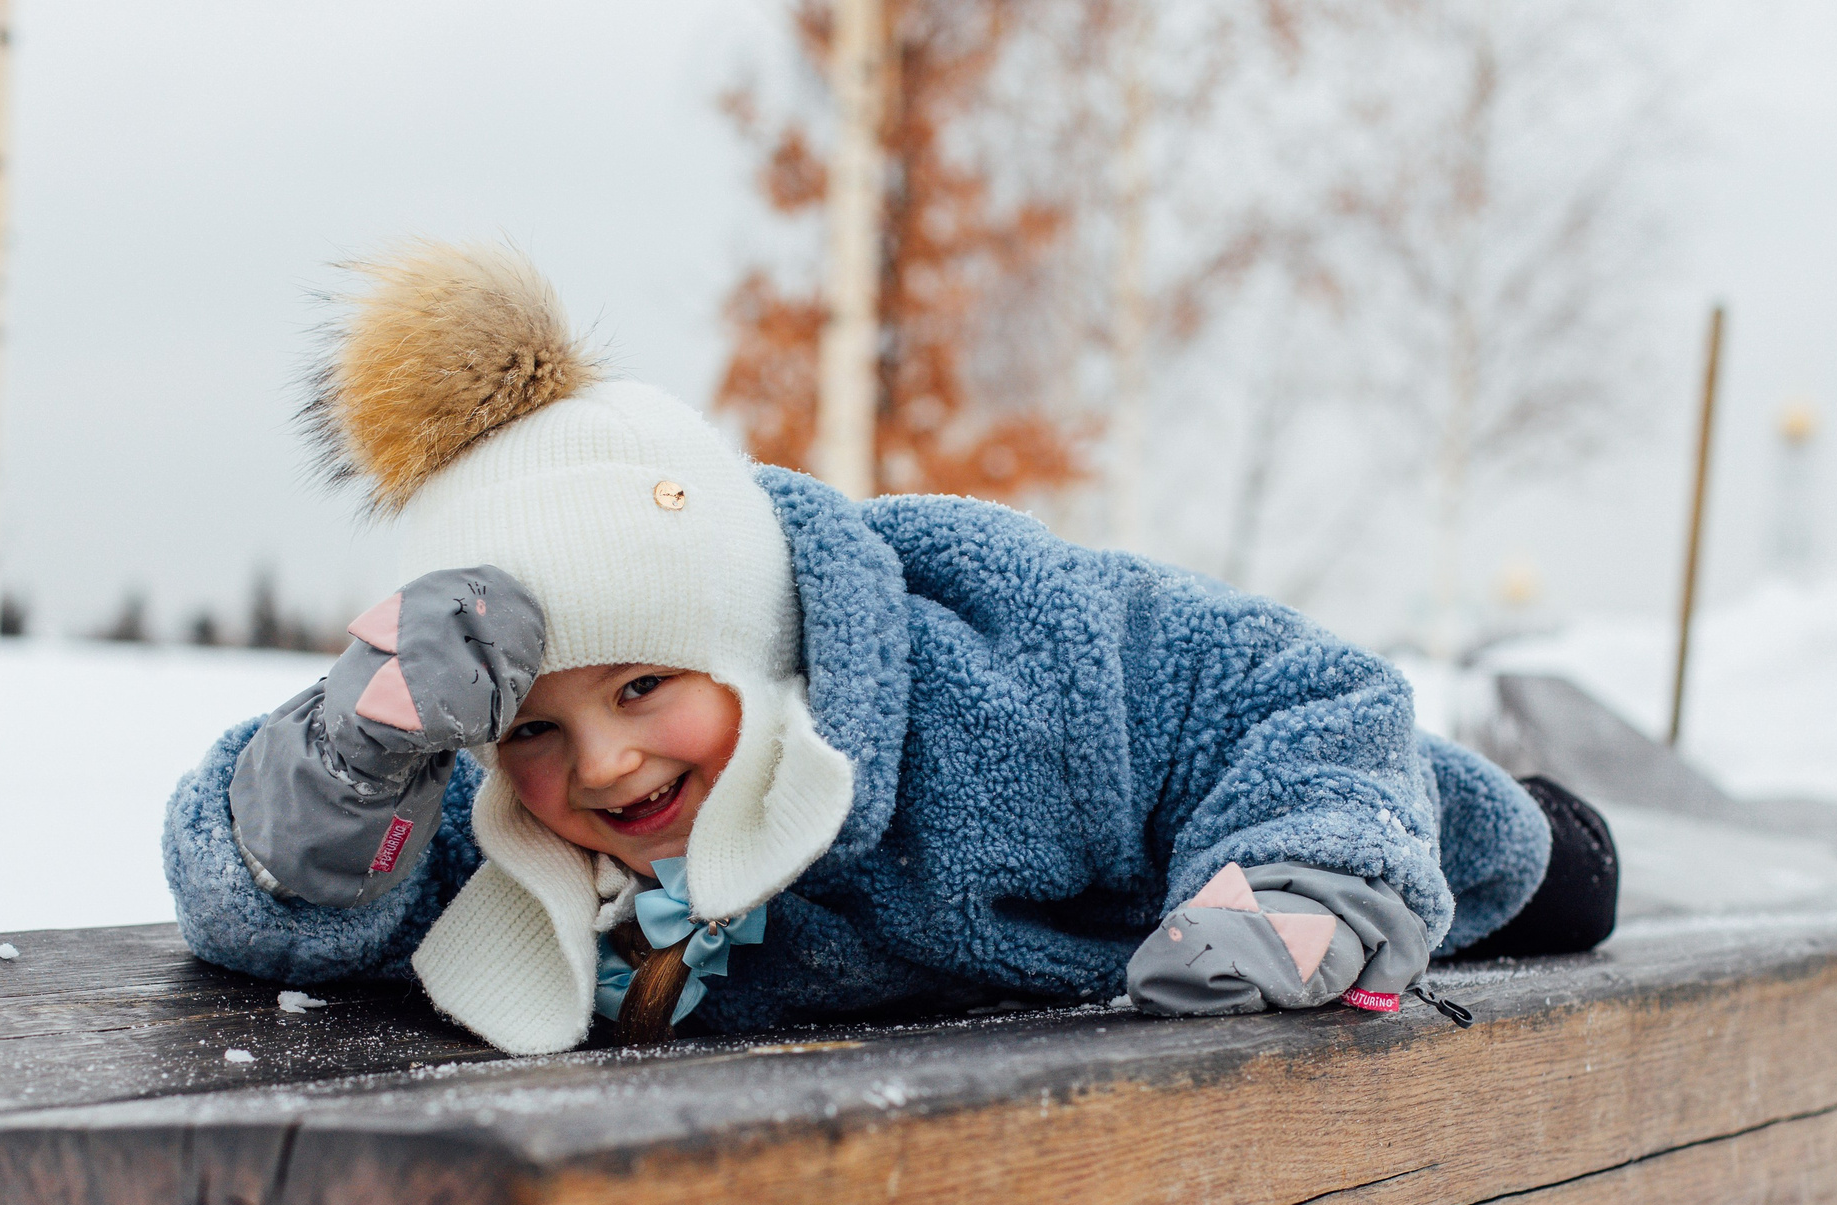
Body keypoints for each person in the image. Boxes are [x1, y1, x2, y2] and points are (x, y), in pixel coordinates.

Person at [164, 244, 1615, 1055]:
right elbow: (267, 912)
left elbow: (1286, 693)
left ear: (750, 647)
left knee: (1530, 860)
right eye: (531, 731)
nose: (598, 762)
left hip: (1320, 850)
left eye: (647, 688)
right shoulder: (521, 849)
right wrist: (349, 769)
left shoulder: (1000, 654)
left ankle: (1552, 840)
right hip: (1037, 995)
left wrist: (1295, 882)